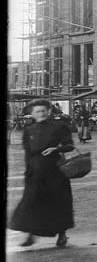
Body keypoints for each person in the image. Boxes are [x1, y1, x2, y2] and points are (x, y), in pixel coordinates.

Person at [10, 99, 75, 248]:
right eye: (38, 111)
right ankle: (30, 234)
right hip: (35, 170)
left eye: (44, 111)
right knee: (32, 201)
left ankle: (62, 234)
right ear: (32, 114)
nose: (41, 114)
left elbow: (69, 145)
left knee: (58, 202)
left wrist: (55, 149)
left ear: (49, 111)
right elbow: (27, 151)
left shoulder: (59, 126)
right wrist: (28, 170)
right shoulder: (29, 129)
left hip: (55, 170)